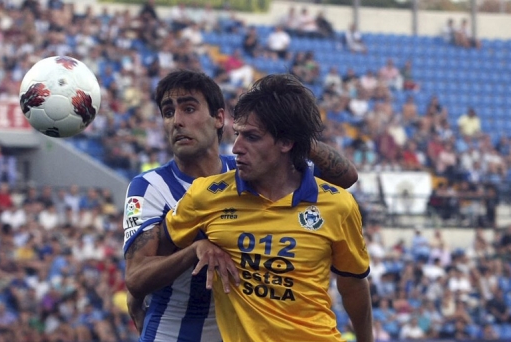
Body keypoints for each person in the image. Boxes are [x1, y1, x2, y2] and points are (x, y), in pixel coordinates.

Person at [123, 70, 359, 341]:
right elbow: (136, 277)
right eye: (168, 112)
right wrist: (194, 251)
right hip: (172, 332)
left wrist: (290, 129)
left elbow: (347, 177)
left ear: (219, 118)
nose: (177, 121)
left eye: (189, 108)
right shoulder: (148, 187)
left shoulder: (250, 169)